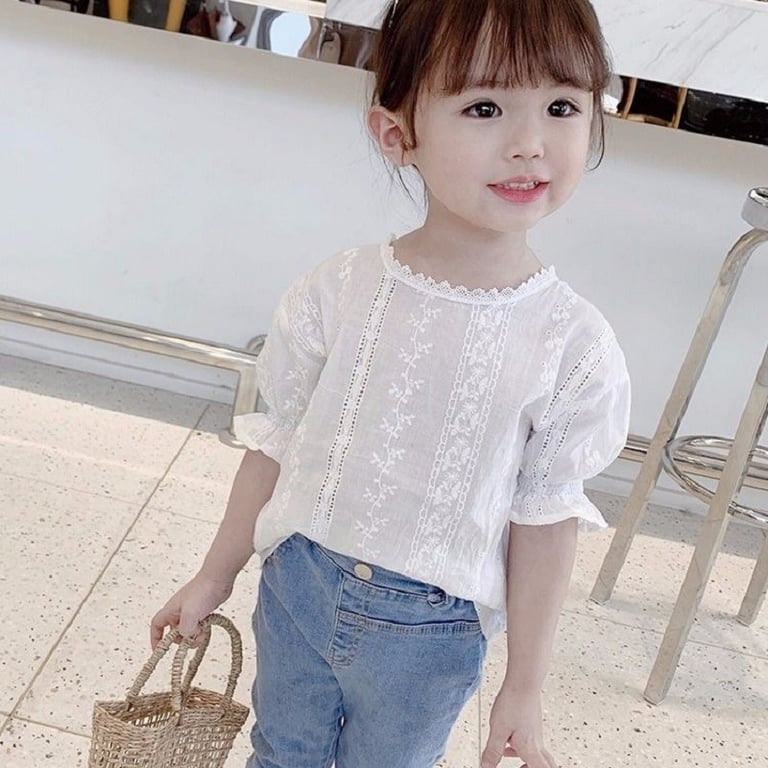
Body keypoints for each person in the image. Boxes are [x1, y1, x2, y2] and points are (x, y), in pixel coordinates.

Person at [150, 1, 631, 766]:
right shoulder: (339, 290)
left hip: (432, 636)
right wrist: (215, 575)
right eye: (484, 107)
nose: (529, 143)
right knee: (279, 753)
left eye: (562, 107)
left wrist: (524, 686)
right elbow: (276, 445)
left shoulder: (572, 346)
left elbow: (544, 519)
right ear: (397, 133)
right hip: (298, 587)